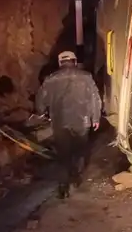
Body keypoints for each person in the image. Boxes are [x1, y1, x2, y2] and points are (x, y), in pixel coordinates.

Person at [35, 50, 102, 198]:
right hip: (81, 121)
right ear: (75, 62)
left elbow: (40, 100)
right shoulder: (86, 77)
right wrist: (95, 118)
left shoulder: (51, 79)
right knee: (79, 151)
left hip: (60, 122)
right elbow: (95, 99)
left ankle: (63, 186)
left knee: (63, 154)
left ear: (60, 63)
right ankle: (75, 179)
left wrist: (42, 112)